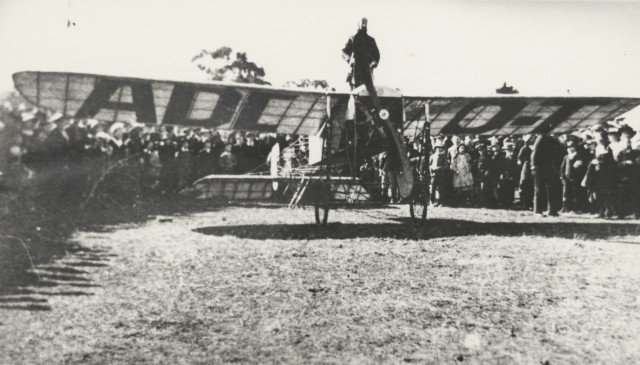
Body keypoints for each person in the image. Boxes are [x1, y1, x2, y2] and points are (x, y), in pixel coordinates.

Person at [342, 18, 380, 108]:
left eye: (365, 24)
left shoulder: (371, 40)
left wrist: (373, 63)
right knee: (354, 92)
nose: (364, 25)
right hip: (355, 71)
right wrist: (351, 60)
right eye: (362, 23)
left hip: (367, 71)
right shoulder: (352, 38)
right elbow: (344, 52)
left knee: (368, 92)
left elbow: (377, 55)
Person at [531, 134, 564, 216]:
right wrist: (533, 165)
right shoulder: (541, 138)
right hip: (540, 167)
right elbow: (535, 153)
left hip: (550, 167)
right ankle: (538, 210)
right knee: (539, 189)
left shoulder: (554, 140)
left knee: (552, 189)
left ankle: (552, 210)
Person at [429, 140, 448, 206]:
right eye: (438, 148)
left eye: (441, 148)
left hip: (441, 175)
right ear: (435, 149)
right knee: (432, 188)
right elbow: (429, 165)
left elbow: (446, 166)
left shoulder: (443, 157)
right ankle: (432, 201)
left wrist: (439, 168)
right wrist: (431, 169)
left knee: (441, 189)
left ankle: (440, 202)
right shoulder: (432, 156)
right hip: (433, 175)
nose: (439, 149)